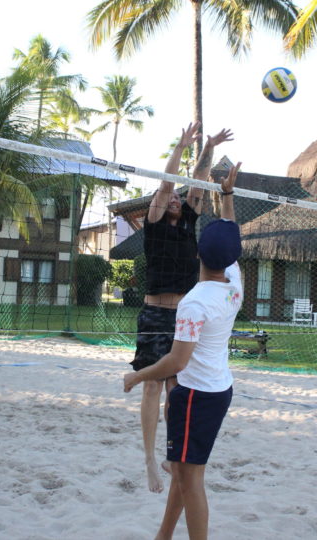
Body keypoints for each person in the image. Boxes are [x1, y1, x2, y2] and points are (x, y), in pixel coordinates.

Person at [124, 162, 243, 540]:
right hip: (219, 389)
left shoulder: (194, 303)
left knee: (191, 480)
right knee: (181, 468)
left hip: (195, 397)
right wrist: (227, 194)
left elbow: (177, 361)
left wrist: (137, 375)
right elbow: (229, 233)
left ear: (197, 256)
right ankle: (163, 535)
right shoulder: (233, 282)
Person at [133, 122, 233, 493]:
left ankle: (171, 455)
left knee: (178, 388)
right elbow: (166, 183)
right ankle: (148, 461)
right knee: (152, 388)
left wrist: (207, 146)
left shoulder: (189, 219)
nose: (176, 199)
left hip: (183, 315)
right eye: (171, 198)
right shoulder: (155, 222)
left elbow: (201, 177)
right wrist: (180, 144)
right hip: (156, 313)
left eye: (178, 198)